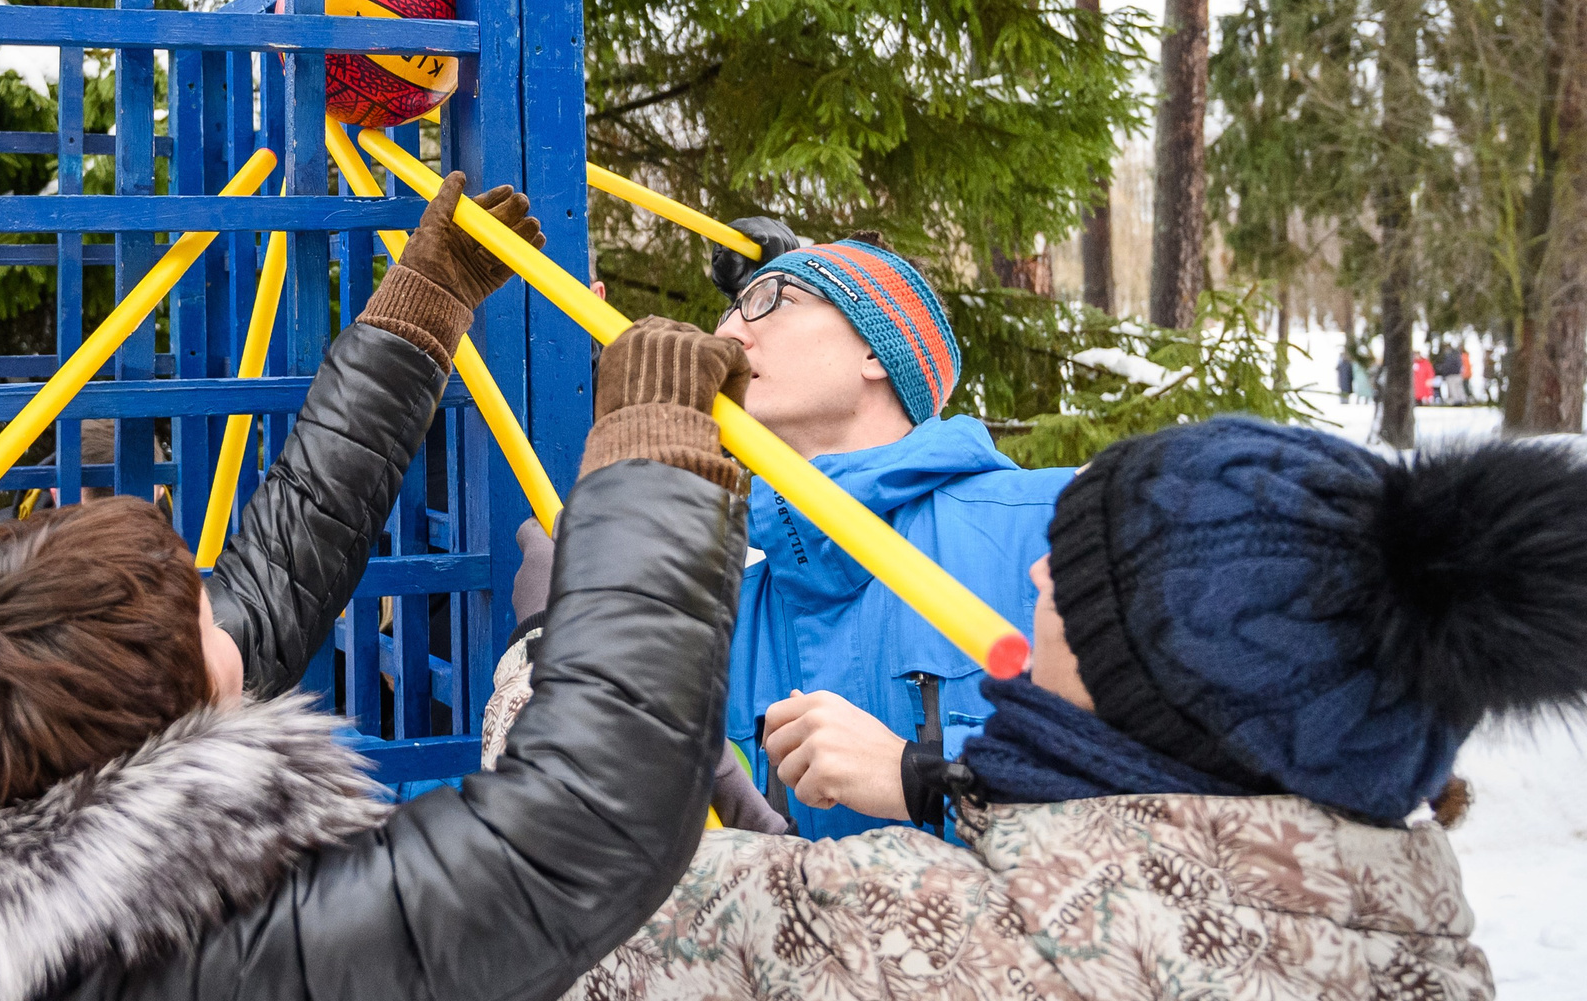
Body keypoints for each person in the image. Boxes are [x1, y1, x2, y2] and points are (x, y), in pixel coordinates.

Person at [0, 176, 760, 1001]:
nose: (223, 605)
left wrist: (417, 317)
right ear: (144, 740)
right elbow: (574, 834)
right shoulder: (166, 960)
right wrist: (654, 466)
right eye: (200, 621)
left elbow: (273, 579)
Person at [540, 418, 1587, 999]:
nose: (1038, 570)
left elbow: (550, 892)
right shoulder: (1420, 942)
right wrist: (932, 782)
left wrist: (568, 628)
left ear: (1161, 696)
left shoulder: (968, 937)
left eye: (1082, 585)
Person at [707, 232, 1071, 838]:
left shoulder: (1057, 524)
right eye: (730, 311)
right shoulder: (722, 613)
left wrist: (928, 776)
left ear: (876, 352)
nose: (730, 335)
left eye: (774, 300)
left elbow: (1188, 769)